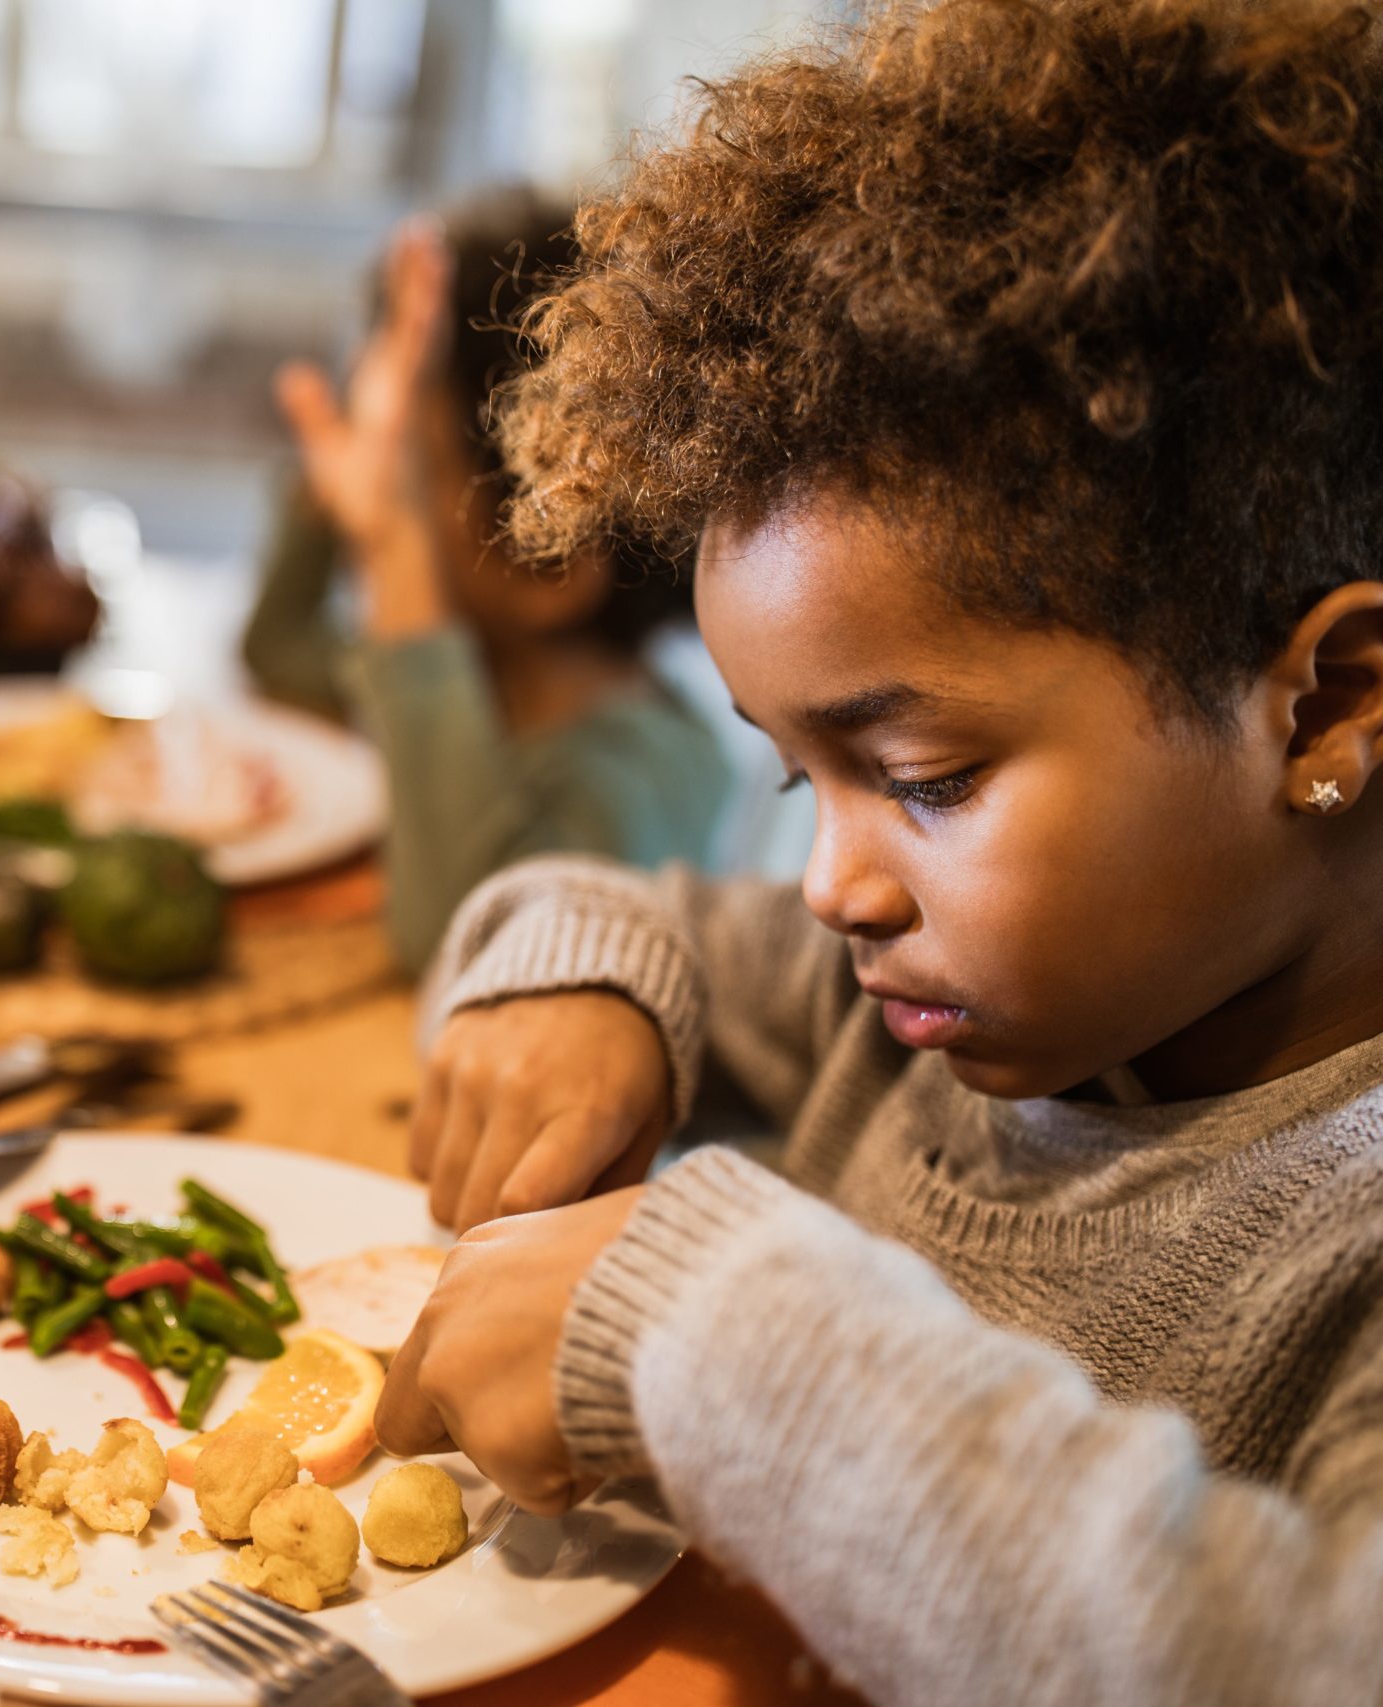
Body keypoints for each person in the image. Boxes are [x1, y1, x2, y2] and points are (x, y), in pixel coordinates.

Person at [373, 2, 1383, 1703]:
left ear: (1330, 705)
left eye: (923, 776)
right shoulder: (928, 987)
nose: (836, 885)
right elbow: (623, 910)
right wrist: (582, 986)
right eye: (794, 780)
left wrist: (731, 1348)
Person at [242, 191, 729, 974]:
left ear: (549, 564)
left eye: (412, 459)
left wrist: (395, 538)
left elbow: (466, 944)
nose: (380, 478)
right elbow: (280, 647)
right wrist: (326, 487)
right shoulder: (481, 687)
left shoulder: (644, 779)